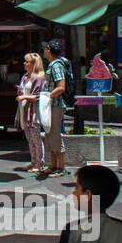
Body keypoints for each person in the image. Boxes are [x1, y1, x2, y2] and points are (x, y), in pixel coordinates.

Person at [40, 40, 71, 178]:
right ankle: (53, 165)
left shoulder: (56, 66)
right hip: (51, 105)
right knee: (49, 134)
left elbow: (61, 87)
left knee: (55, 135)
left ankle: (61, 167)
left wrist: (47, 97)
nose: (44, 51)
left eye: (46, 49)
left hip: (55, 105)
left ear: (49, 50)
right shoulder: (51, 65)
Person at [17, 53, 46, 174]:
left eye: (27, 62)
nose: (24, 63)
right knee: (29, 138)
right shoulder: (25, 77)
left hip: (33, 112)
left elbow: (37, 96)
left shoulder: (38, 78)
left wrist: (24, 96)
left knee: (36, 138)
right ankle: (34, 161)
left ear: (33, 64)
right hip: (24, 110)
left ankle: (40, 163)